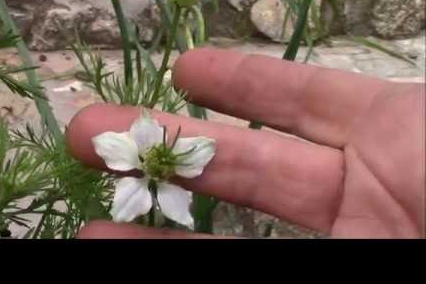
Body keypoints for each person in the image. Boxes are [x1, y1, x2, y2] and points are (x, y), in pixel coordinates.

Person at [65, 47, 425, 239]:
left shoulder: (173, 166)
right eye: (157, 160)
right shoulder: (137, 167)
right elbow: (141, 130)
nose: (159, 162)